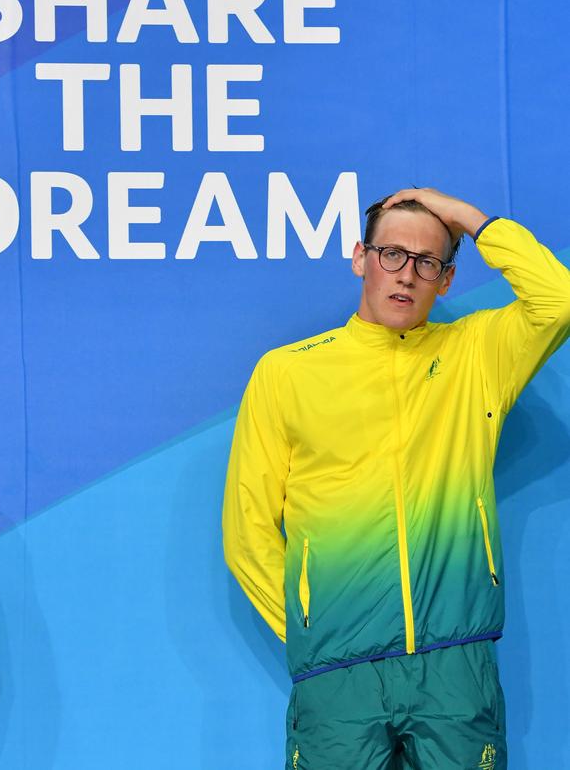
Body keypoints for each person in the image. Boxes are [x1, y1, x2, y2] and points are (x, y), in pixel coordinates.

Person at [222, 187, 570, 770]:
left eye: (427, 261)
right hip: (337, 674)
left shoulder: (476, 356)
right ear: (361, 257)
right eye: (391, 254)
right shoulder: (286, 372)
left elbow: (558, 300)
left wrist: (467, 217)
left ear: (447, 279)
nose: (406, 274)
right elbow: (247, 529)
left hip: (455, 666)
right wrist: (317, 629)